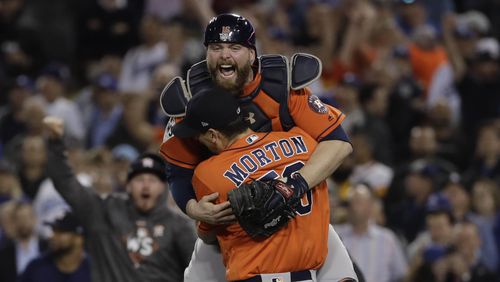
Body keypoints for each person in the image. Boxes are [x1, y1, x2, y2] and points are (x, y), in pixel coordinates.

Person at [159, 13, 357, 282]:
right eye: (216, 48)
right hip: (232, 222)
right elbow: (177, 171)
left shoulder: (281, 88)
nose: (225, 55)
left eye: (234, 47)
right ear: (206, 53)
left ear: (252, 54)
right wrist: (194, 209)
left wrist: (294, 186)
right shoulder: (194, 100)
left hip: (301, 215)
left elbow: (338, 142)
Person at [174, 86, 331, 281]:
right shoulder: (306, 142)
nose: (198, 141)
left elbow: (208, 237)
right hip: (309, 275)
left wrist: (201, 218)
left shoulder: (208, 173)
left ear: (213, 135)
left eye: (199, 136)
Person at [43, 116, 196, 282]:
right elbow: (65, 183)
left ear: (162, 187)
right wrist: (55, 143)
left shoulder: (178, 225)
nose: (145, 186)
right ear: (128, 186)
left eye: (152, 180)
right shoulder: (104, 210)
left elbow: (196, 273)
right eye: (139, 180)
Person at [18, 212, 91, 282]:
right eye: (54, 231)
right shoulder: (36, 268)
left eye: (60, 232)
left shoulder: (94, 271)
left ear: (78, 239)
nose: (52, 236)